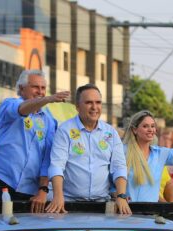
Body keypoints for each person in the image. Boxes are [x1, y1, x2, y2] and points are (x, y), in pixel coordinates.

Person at [0, 70, 69, 212]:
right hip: (0, 181)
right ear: (21, 88)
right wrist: (47, 99)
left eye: (43, 88)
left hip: (29, 190)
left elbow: (47, 159)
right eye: (35, 87)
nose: (40, 91)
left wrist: (43, 190)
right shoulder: (9, 104)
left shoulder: (50, 121)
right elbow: (22, 109)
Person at [46, 84, 130, 214]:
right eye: (89, 102)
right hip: (68, 204)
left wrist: (121, 196)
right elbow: (57, 165)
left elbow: (119, 167)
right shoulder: (65, 130)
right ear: (77, 107)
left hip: (102, 205)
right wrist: (58, 196)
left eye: (98, 102)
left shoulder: (110, 133)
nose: (94, 107)